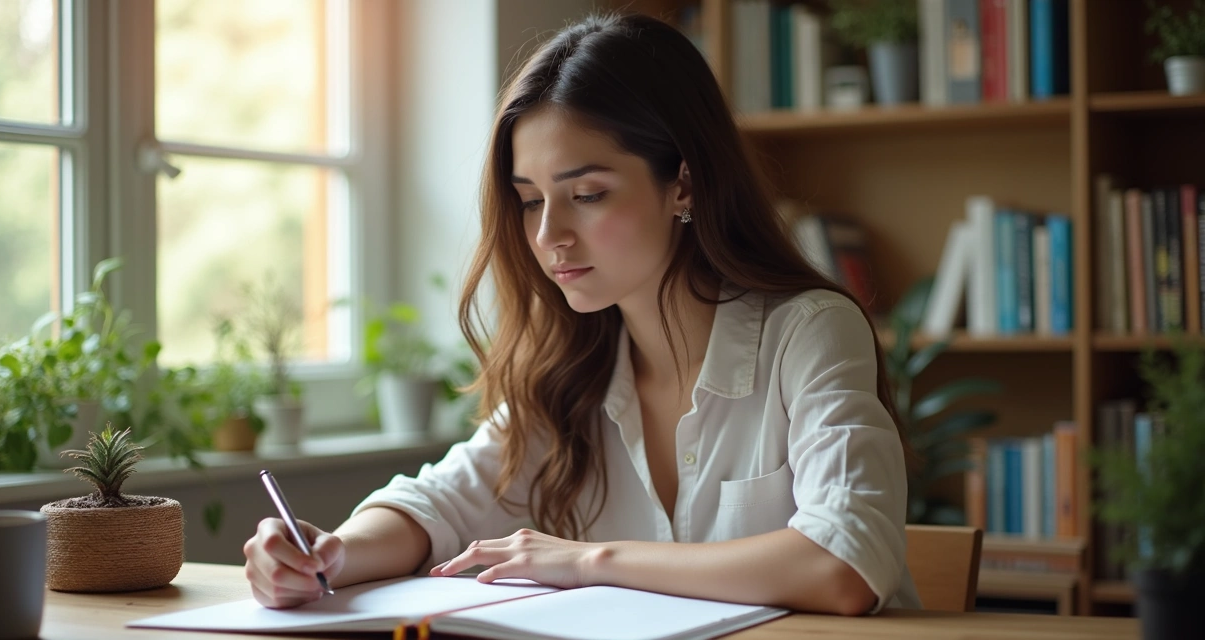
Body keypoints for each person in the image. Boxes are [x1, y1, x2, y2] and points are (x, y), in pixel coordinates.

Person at [243, 12, 921, 616]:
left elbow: (844, 568)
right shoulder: (572, 367)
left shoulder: (808, 331)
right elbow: (437, 504)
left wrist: (587, 561)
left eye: (588, 194)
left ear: (683, 182)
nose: (548, 236)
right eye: (532, 200)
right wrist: (329, 554)